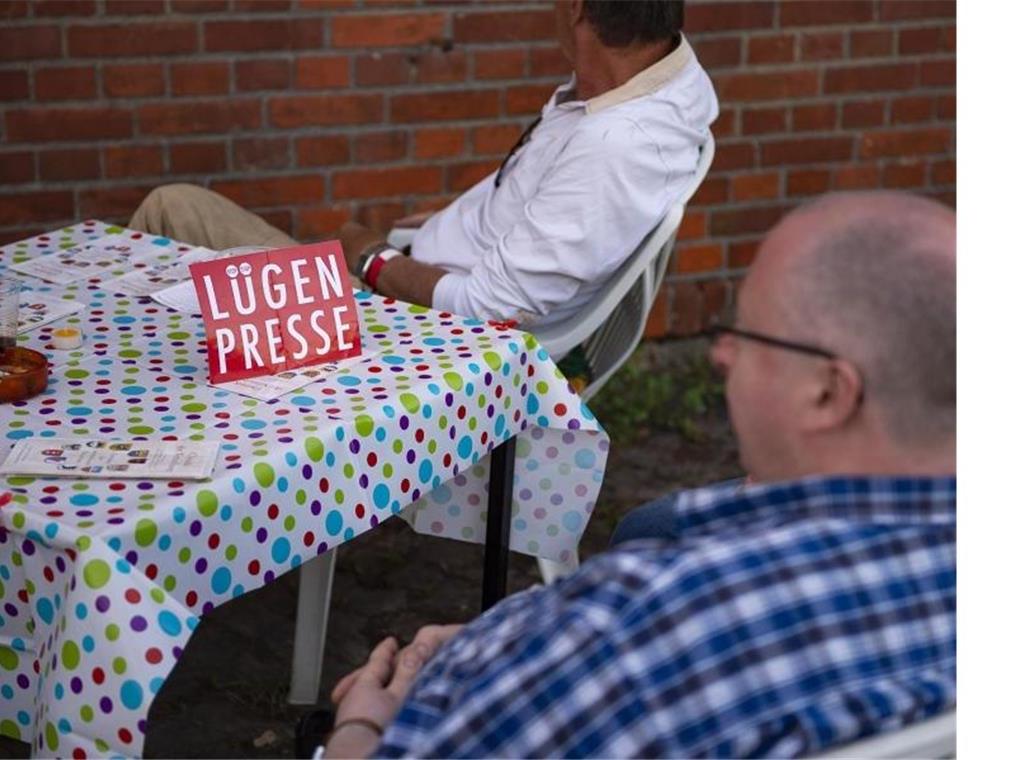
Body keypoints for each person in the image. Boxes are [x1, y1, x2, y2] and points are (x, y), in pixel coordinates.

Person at [318, 191, 957, 758]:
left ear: (828, 393)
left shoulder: (654, 629)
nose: (720, 354)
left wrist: (358, 733)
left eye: (746, 335)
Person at [129, 0, 717, 331]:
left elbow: (488, 306)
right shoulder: (657, 80)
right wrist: (439, 224)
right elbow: (553, 204)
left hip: (406, 336)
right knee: (182, 232)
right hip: (410, 287)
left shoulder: (615, 145)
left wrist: (371, 258)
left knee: (171, 208)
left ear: (577, 9)